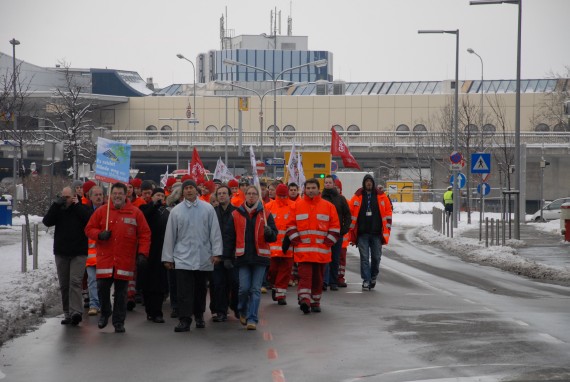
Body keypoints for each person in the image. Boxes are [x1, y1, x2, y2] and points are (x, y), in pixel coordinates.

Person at [85, 182, 151, 333]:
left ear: (125, 195)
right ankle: (105, 312)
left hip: (124, 260)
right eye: (115, 194)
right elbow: (89, 229)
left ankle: (118, 321)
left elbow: (145, 234)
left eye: (120, 193)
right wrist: (99, 235)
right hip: (105, 259)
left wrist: (142, 254)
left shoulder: (135, 213)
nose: (117, 196)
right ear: (110, 195)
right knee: (102, 288)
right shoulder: (102, 211)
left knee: (121, 293)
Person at [162, 179, 223, 333]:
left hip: (203, 256)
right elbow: (170, 235)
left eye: (191, 188)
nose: (189, 191)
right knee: (184, 291)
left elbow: (215, 232)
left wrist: (216, 253)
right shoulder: (176, 211)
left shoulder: (208, 209)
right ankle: (184, 319)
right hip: (182, 258)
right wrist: (168, 258)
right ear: (183, 192)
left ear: (197, 190)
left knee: (200, 290)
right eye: (186, 188)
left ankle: (199, 316)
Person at [224, 186, 277, 330]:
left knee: (255, 289)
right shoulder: (236, 214)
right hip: (243, 257)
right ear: (244, 196)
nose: (251, 196)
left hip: (260, 257)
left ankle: (252, 318)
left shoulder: (266, 214)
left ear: (258, 196)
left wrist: (269, 232)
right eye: (249, 194)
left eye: (254, 194)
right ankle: (242, 310)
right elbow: (229, 237)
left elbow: (274, 236)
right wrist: (227, 257)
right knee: (243, 289)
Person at [286, 178, 340, 314]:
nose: (310, 190)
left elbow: (335, 227)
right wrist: (296, 240)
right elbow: (290, 225)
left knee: (318, 278)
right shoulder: (296, 206)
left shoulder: (328, 207)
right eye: (308, 188)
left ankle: (316, 302)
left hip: (321, 252)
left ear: (318, 189)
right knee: (305, 277)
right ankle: (305, 300)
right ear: (304, 190)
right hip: (303, 252)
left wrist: (328, 242)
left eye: (313, 188)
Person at [43, 186, 92, 326]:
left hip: (78, 252)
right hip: (61, 252)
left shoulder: (82, 208)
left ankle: (76, 312)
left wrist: (77, 206)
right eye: (63, 197)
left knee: (75, 282)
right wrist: (55, 205)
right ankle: (67, 313)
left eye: (68, 197)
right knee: (64, 284)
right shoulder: (58, 209)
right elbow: (47, 221)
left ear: (74, 196)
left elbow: (89, 219)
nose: (65, 200)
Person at [348, 174, 392, 291]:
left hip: (377, 233)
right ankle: (366, 280)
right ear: (364, 183)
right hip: (362, 234)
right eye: (366, 181)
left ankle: (373, 277)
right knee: (364, 258)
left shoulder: (381, 197)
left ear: (373, 183)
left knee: (376, 257)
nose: (368, 183)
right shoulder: (357, 197)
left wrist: (387, 228)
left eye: (370, 181)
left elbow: (388, 211)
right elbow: (350, 211)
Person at [140, 188, 169, 323]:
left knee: (159, 283)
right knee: (147, 282)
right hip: (146, 251)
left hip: (161, 250)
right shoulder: (145, 207)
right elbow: (144, 216)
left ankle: (157, 312)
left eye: (162, 195)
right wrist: (153, 205)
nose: (160, 197)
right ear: (152, 197)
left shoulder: (166, 212)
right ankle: (149, 310)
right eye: (158, 195)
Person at [212, 185, 238, 322]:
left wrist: (233, 254)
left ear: (230, 195)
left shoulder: (236, 212)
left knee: (234, 283)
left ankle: (234, 305)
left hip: (232, 255)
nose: (221, 195)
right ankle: (221, 311)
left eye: (224, 193)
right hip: (216, 254)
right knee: (218, 284)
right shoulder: (212, 212)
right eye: (219, 193)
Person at [265, 184, 295, 305]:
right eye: (280, 195)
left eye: (284, 195)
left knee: (285, 271)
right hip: (272, 247)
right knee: (273, 270)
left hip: (288, 246)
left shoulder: (293, 206)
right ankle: (274, 286)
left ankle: (281, 295)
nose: (282, 197)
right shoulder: (268, 207)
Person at [321, 175, 351, 291]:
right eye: (326, 182)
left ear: (334, 184)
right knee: (324, 258)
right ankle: (324, 281)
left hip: (337, 234)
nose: (328, 184)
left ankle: (333, 282)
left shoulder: (340, 199)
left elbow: (347, 215)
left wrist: (344, 229)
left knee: (335, 258)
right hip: (323, 233)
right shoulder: (321, 198)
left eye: (329, 182)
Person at [85, 185, 104, 315]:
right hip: (91, 254)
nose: (98, 197)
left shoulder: (108, 211)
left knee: (104, 282)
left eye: (100, 194)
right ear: (90, 197)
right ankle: (94, 304)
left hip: (104, 254)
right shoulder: (86, 212)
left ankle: (103, 304)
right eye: (96, 195)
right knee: (92, 280)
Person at [334, 179, 349, 287]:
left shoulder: (344, 201)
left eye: (337, 187)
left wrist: (345, 230)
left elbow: (349, 217)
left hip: (342, 237)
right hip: (332, 236)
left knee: (341, 259)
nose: (335, 189)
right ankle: (333, 277)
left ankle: (340, 277)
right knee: (332, 258)